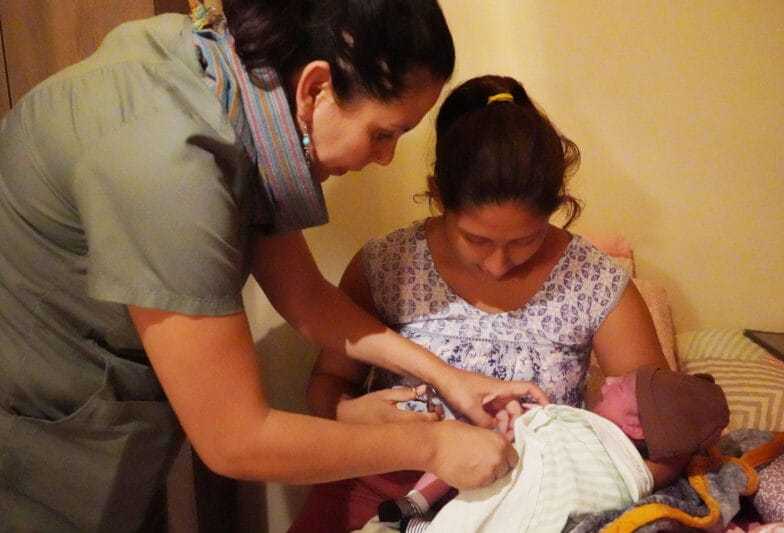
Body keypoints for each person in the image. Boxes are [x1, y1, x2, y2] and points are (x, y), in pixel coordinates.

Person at [0, 3, 547, 531]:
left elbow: (306, 298)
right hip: (36, 435)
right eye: (383, 133)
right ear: (314, 89)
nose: (384, 158)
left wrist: (450, 380)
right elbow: (236, 440)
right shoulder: (169, 167)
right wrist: (434, 446)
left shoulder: (225, 80)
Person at [291, 74, 677, 532]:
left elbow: (661, 427)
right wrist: (346, 412)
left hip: (529, 503)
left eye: (525, 241)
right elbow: (327, 383)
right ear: (438, 197)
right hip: (384, 491)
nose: (497, 264)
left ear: (557, 207)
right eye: (475, 239)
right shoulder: (387, 265)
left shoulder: (596, 283)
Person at [375, 365, 730, 532]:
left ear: (637, 426)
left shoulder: (586, 434)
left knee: (470, 445)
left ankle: (417, 515)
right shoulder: (647, 465)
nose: (607, 380)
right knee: (465, 446)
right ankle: (418, 511)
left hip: (525, 496)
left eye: (622, 387)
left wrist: (524, 423)